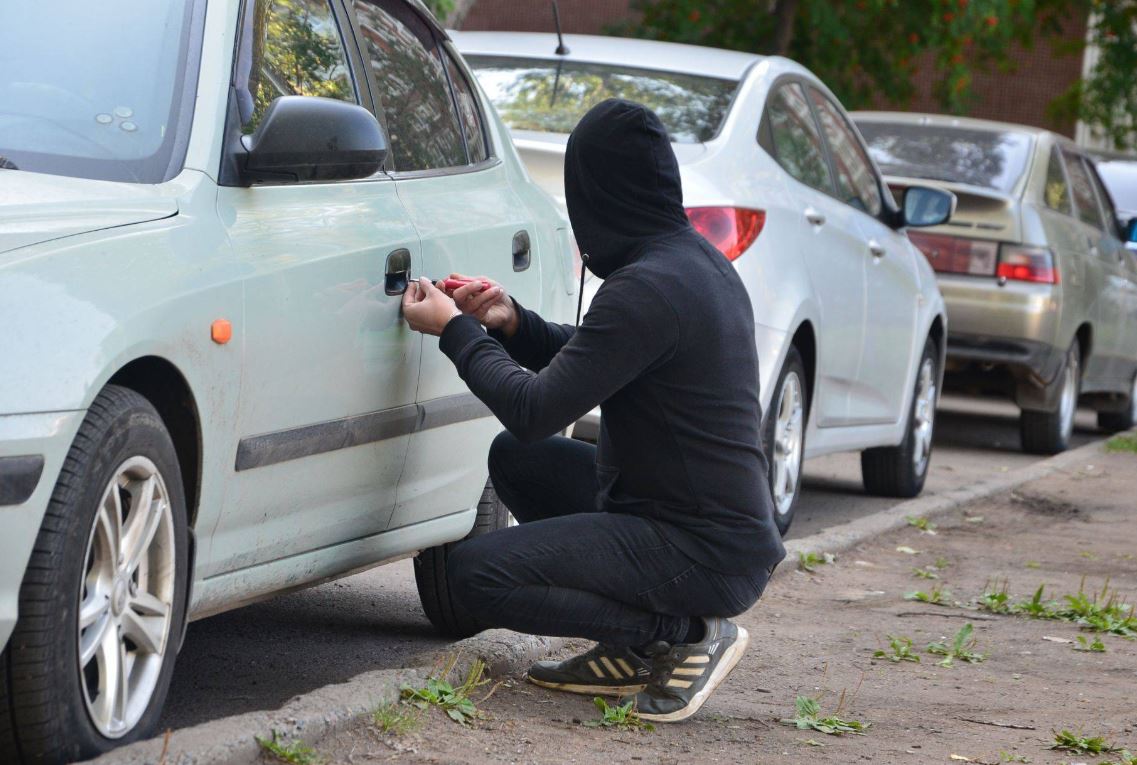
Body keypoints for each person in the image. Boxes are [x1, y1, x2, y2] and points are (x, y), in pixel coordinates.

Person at [401, 98, 785, 722]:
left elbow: (533, 409)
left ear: (596, 196)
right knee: (517, 461)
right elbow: (597, 359)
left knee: (476, 575)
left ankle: (678, 634)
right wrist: (509, 321)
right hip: (688, 521)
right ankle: (635, 649)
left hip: (700, 548)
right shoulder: (688, 265)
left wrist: (455, 332)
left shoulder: (649, 288)